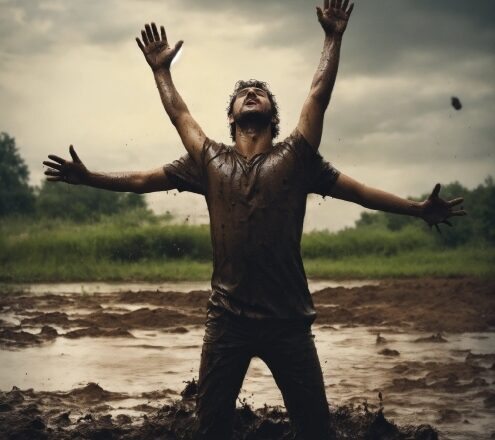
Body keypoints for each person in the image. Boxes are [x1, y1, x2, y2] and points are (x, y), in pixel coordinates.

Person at [43, 1, 466, 438]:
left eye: (259, 91)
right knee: (211, 429)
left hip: (289, 321)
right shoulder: (207, 161)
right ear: (231, 116)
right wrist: (95, 170)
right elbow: (156, 153)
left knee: (316, 431)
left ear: (272, 115)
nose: (251, 93)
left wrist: (332, 37)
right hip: (227, 320)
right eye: (243, 93)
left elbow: (349, 168)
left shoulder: (297, 158)